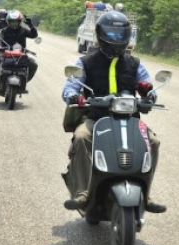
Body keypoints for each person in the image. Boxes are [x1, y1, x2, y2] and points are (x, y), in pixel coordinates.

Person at [61, 11, 166, 213]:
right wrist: (75, 97)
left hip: (130, 120)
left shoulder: (135, 64)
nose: (115, 38)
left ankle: (147, 193)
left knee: (153, 142)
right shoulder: (85, 62)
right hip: (96, 118)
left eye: (119, 34)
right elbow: (70, 87)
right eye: (111, 34)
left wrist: (148, 94)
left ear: (126, 35)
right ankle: (82, 192)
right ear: (101, 35)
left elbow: (149, 88)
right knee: (81, 137)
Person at [0, 10, 39, 92]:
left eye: (16, 22)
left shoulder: (23, 30)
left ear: (19, 22)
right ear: (8, 22)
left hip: (20, 55)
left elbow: (34, 35)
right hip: (6, 54)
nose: (14, 24)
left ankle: (24, 81)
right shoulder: (4, 30)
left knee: (33, 64)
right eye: (12, 22)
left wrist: (30, 25)